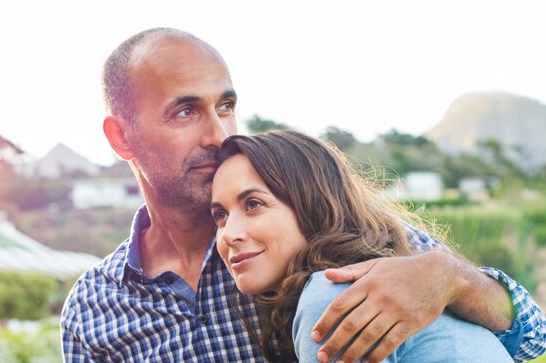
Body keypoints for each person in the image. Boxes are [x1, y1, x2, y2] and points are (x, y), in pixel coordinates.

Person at [61, 27, 545, 362]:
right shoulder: (92, 307)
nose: (217, 133)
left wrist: (452, 278)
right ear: (121, 138)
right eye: (186, 112)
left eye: (226, 106)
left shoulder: (308, 238)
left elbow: (533, 336)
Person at [211, 130, 514, 362]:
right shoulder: (386, 275)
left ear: (312, 206)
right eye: (220, 215)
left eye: (253, 204)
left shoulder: (335, 295)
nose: (227, 235)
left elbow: (535, 334)